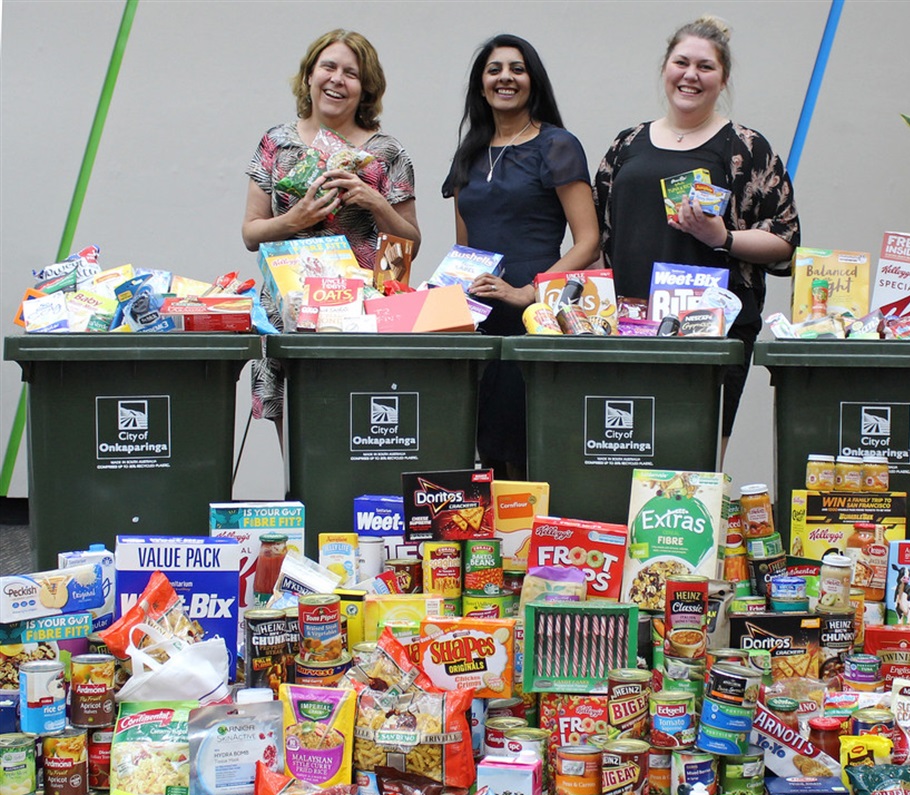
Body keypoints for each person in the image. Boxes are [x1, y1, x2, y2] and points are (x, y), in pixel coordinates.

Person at [594, 16, 800, 454]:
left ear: (723, 79)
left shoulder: (746, 148)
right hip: (631, 329)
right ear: (665, 67)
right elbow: (597, 236)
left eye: (705, 67)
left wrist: (721, 237)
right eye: (681, 62)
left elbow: (785, 240)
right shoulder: (626, 144)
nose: (690, 75)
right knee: (623, 451)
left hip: (712, 334)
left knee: (697, 461)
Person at [242, 29, 420, 423]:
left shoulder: (385, 152)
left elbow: (408, 247)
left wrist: (374, 202)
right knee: (294, 434)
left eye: (351, 73)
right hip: (285, 312)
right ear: (309, 75)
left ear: (366, 88)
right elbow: (251, 233)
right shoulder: (277, 143)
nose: (337, 79)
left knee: (355, 424)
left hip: (356, 314)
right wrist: (295, 220)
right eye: (328, 67)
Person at [443, 34, 599, 480]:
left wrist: (529, 292)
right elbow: (465, 250)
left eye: (517, 68)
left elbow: (588, 242)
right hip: (478, 324)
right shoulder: (468, 154)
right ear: (481, 85)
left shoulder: (557, 145)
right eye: (494, 70)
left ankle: (531, 543)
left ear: (533, 81)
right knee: (484, 448)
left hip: (536, 320)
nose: (505, 78)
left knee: (526, 450)